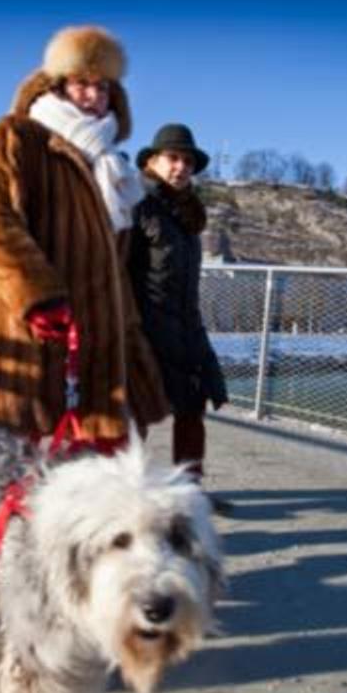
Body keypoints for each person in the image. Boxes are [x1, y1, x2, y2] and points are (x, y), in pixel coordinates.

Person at [0, 24, 168, 453]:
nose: (94, 96)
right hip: (37, 330)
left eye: (103, 87)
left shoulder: (112, 162)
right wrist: (38, 296)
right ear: (58, 85)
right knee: (26, 464)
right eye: (82, 84)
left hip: (104, 339)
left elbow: (117, 259)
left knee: (103, 465)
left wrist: (131, 327)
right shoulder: (19, 137)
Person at [129, 124, 229, 489]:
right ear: (152, 161)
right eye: (172, 158)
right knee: (134, 415)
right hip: (143, 328)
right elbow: (118, 270)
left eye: (187, 160)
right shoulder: (136, 204)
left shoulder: (188, 216)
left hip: (186, 327)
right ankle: (128, 493)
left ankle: (189, 492)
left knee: (193, 405)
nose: (181, 166)